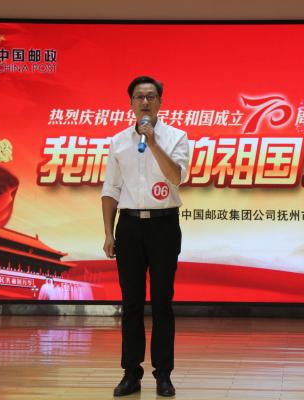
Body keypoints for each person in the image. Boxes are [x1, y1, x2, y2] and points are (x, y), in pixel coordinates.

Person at [101, 76, 189, 397]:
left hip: (164, 226)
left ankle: (163, 374)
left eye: (151, 96)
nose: (145, 102)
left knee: (162, 302)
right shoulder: (118, 142)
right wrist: (108, 233)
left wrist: (153, 143)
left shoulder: (176, 137)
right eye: (139, 97)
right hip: (129, 226)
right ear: (131, 103)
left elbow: (176, 177)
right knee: (132, 303)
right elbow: (111, 189)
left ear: (160, 102)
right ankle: (131, 373)